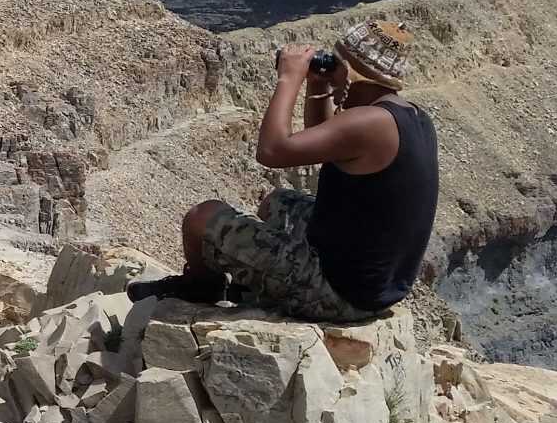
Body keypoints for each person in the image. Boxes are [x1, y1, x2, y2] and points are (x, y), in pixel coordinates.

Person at [127, 19, 438, 323]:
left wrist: (289, 78)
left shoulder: (370, 124)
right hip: (373, 283)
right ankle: (258, 278)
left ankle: (201, 286)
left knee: (201, 218)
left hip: (338, 295)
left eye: (337, 65)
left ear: (354, 74)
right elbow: (323, 138)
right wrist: (317, 85)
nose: (331, 70)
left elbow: (272, 151)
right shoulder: (409, 117)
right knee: (276, 203)